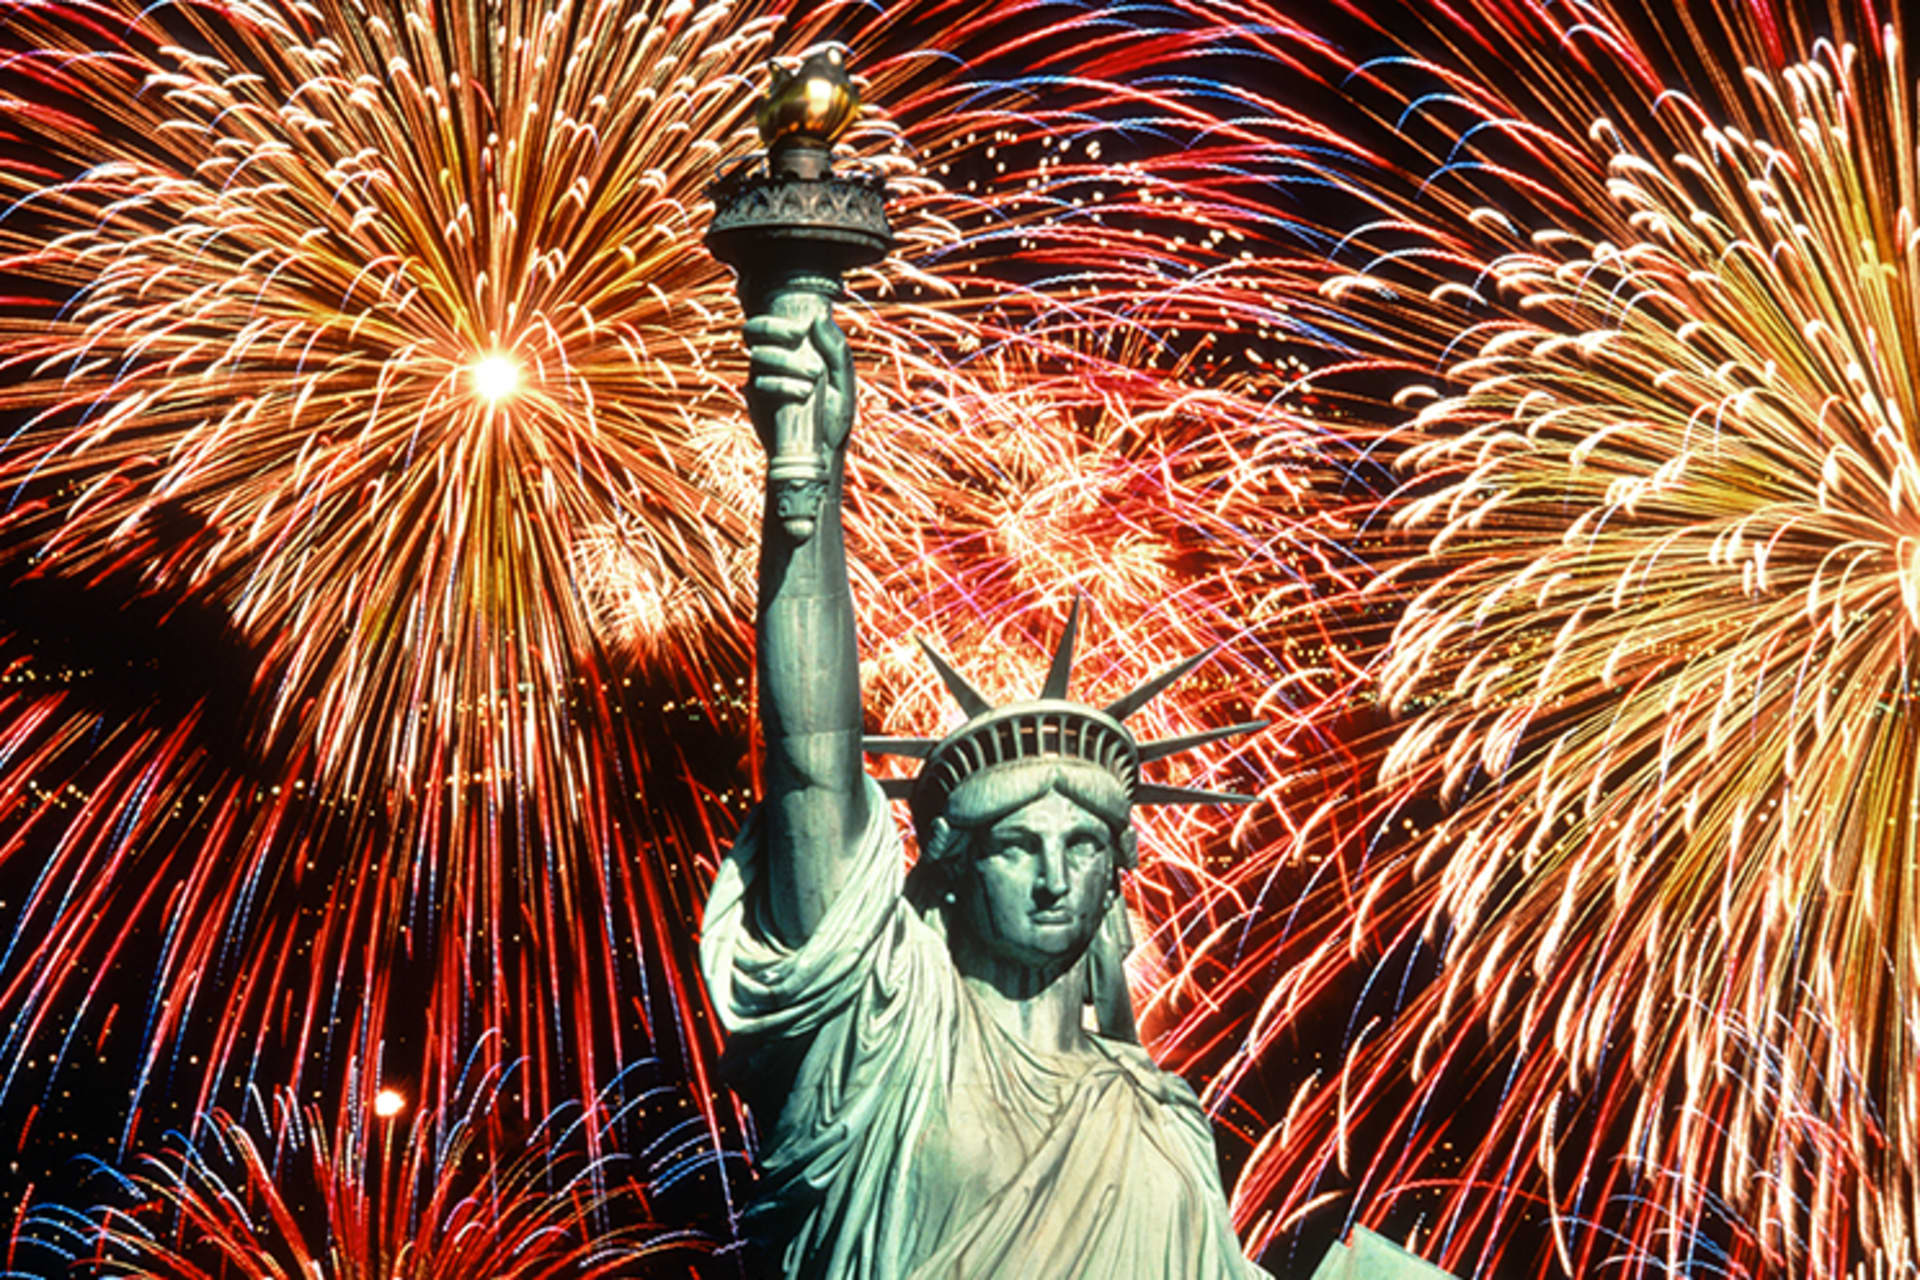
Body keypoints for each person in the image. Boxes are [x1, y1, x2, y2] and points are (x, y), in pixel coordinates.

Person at [700, 311, 1272, 1279]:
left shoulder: (1162, 1120)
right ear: (955, 868)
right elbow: (809, 759)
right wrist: (808, 471)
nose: (1054, 877)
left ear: (1117, 874)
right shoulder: (885, 1025)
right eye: (1016, 846)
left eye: (1082, 846)